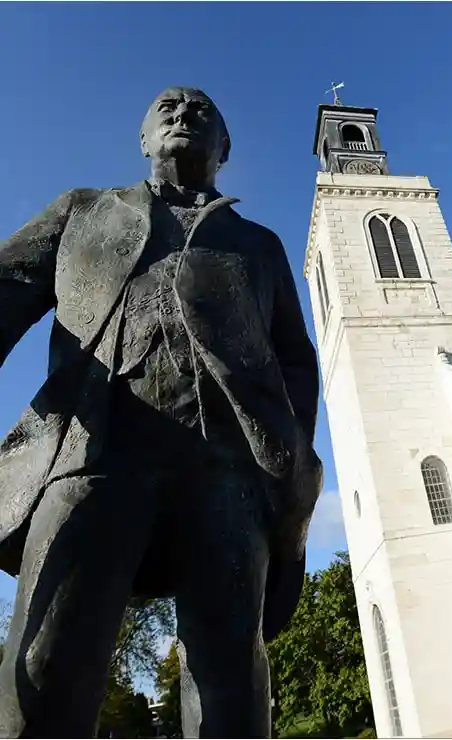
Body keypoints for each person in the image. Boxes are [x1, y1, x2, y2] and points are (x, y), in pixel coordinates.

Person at [0, 87, 322, 738]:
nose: (183, 114)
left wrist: (288, 455)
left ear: (225, 148)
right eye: (166, 109)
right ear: (143, 139)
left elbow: (296, 360)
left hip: (229, 470)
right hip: (93, 453)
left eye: (202, 110)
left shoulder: (257, 244)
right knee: (47, 660)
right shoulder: (83, 211)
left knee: (230, 673)